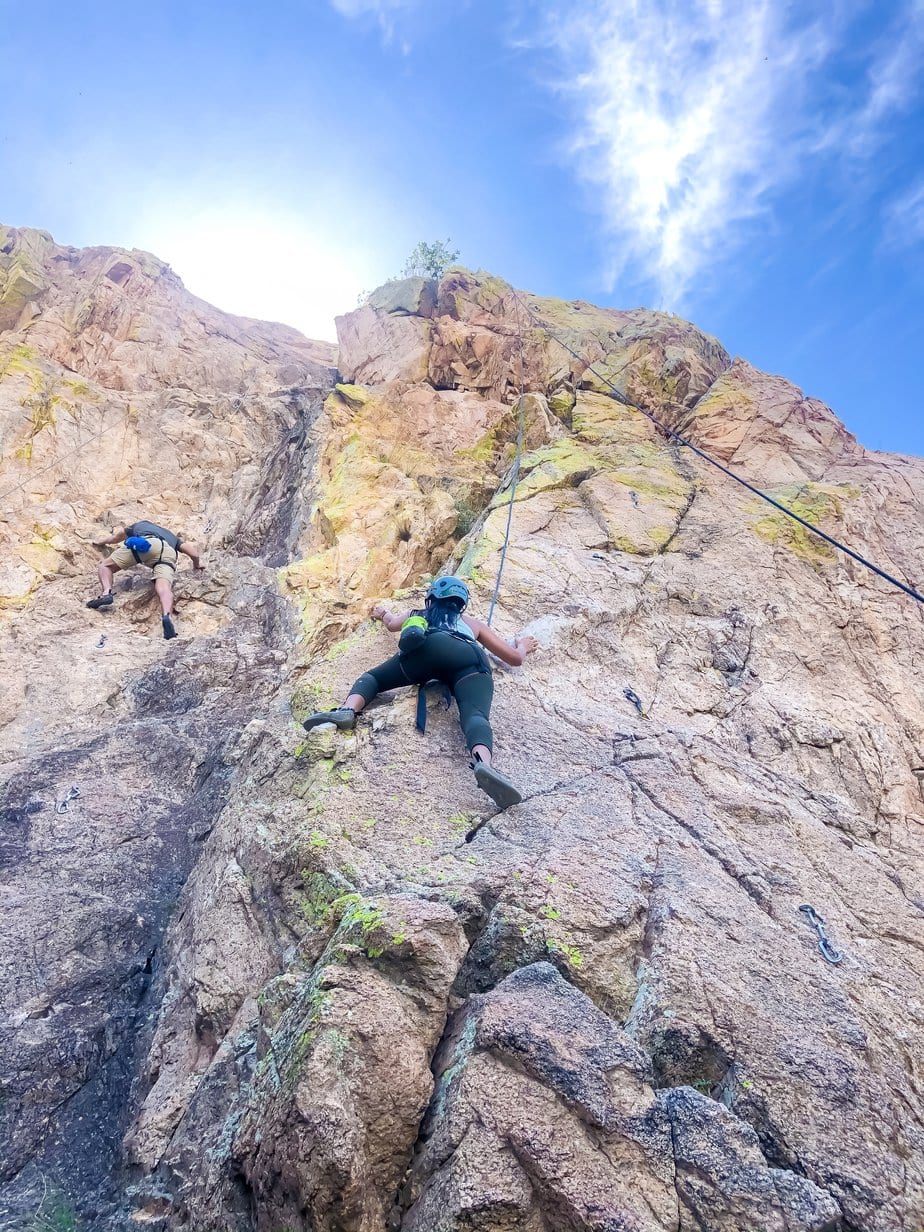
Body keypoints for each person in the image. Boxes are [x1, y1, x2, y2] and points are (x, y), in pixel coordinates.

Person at [302, 576, 538, 808]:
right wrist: (523, 646)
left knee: (373, 677)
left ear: (431, 597)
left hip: (429, 649)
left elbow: (392, 624)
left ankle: (347, 710)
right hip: (469, 660)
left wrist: (382, 613)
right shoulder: (474, 624)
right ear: (461, 602)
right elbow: (514, 658)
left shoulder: (417, 614)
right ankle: (483, 764)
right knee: (475, 716)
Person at [87, 518, 202, 639]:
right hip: (168, 552)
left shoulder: (139, 525)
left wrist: (100, 541)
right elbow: (194, 554)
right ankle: (167, 616)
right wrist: (197, 565)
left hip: (147, 544)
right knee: (164, 587)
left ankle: (106, 594)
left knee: (105, 566)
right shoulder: (172, 537)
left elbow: (115, 538)